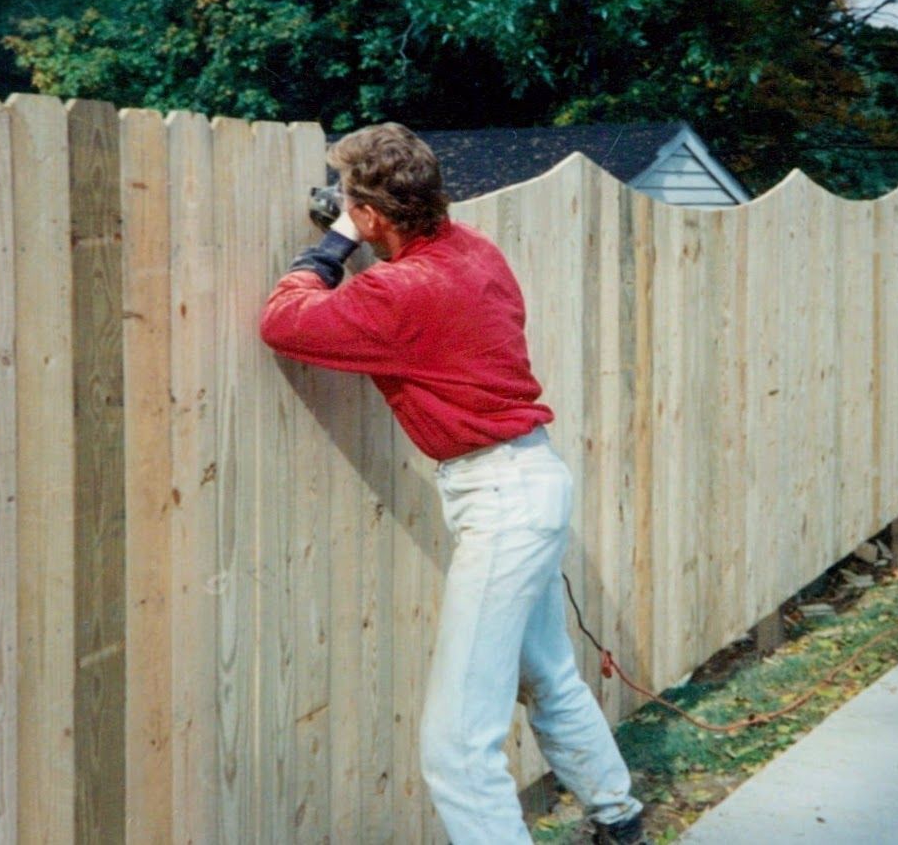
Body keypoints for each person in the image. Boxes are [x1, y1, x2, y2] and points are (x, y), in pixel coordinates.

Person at [258, 123, 646, 845]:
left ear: (373, 216)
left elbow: (284, 322)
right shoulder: (473, 253)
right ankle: (618, 818)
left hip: (500, 500)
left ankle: (613, 818)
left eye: (350, 200)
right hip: (528, 480)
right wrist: (363, 225)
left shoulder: (403, 292)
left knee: (456, 747)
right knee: (548, 675)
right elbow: (417, 272)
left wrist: (333, 245)